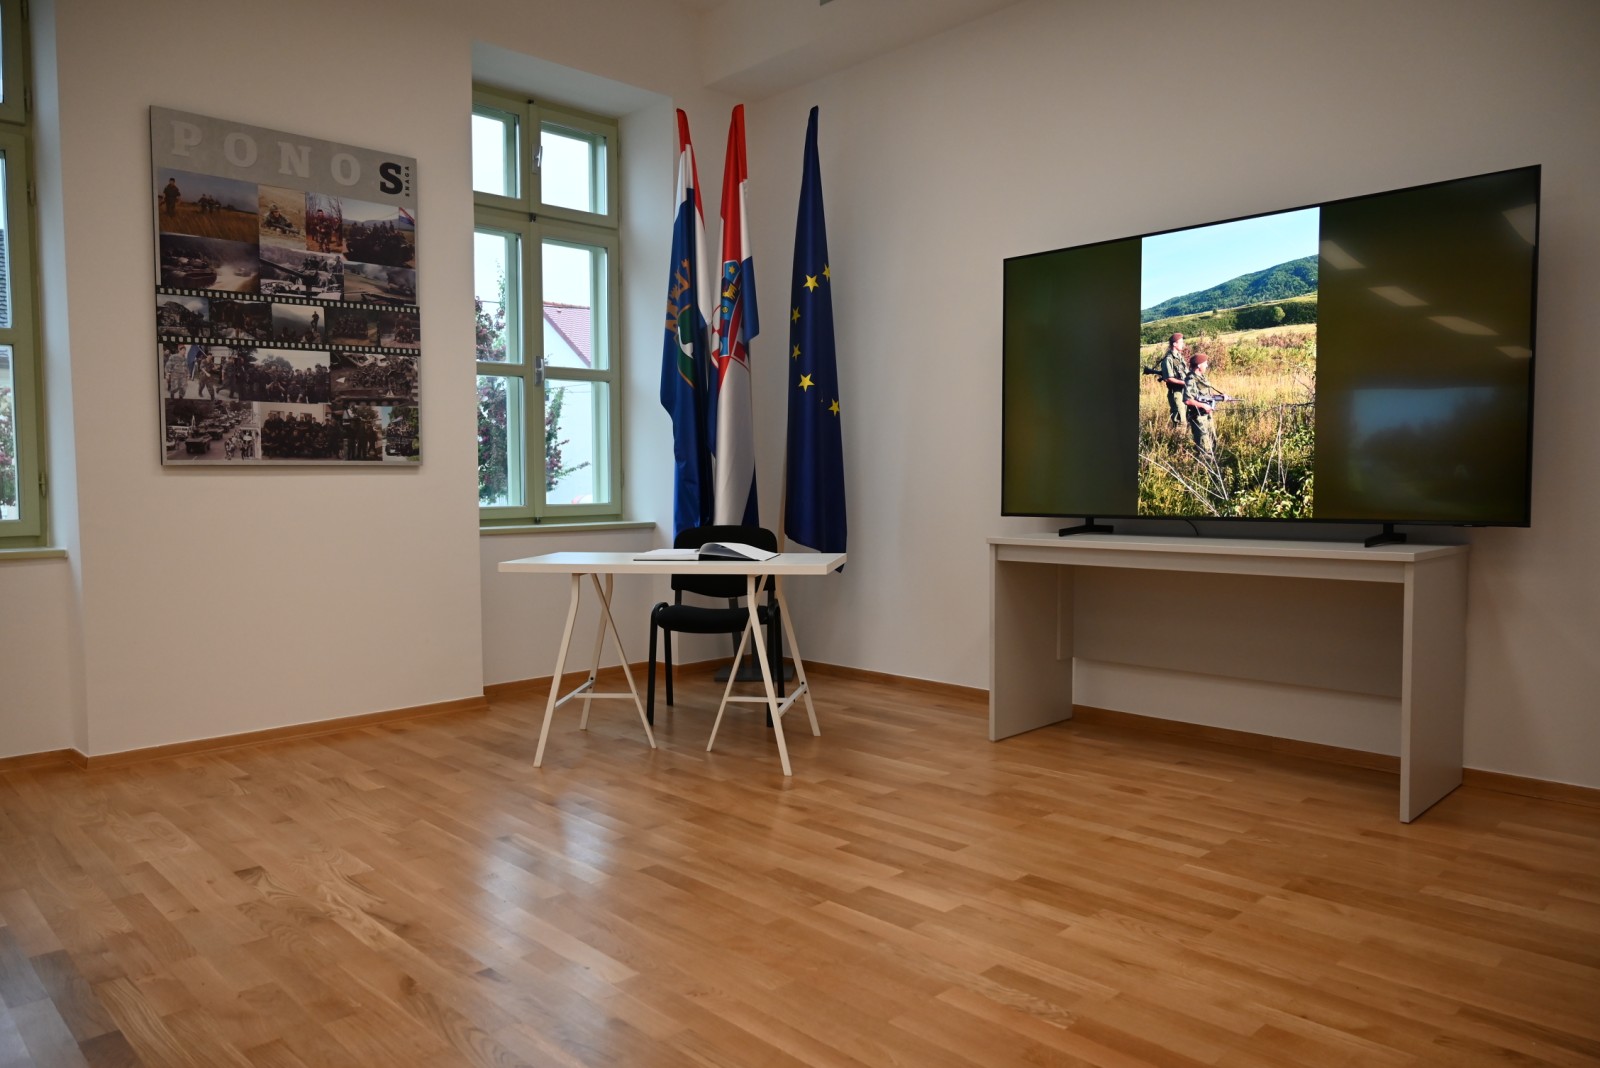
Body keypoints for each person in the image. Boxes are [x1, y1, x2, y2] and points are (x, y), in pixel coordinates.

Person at [1183, 352, 1228, 457]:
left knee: (1212, 441)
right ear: (1199, 365)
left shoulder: (1202, 378)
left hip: (1206, 415)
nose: (1207, 365)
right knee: (1204, 446)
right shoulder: (1191, 380)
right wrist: (1204, 406)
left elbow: (1207, 395)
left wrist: (1221, 397)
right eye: (1205, 363)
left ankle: (1212, 462)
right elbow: (1187, 400)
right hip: (1198, 417)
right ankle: (1204, 464)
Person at [1149, 333, 1189, 426]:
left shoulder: (1179, 357)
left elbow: (1185, 373)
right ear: (1174, 344)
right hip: (1176, 393)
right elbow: (1168, 379)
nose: (1183, 344)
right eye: (1181, 342)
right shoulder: (1168, 359)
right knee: (1180, 421)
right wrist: (1184, 383)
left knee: (1187, 418)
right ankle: (1178, 436)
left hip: (1184, 391)